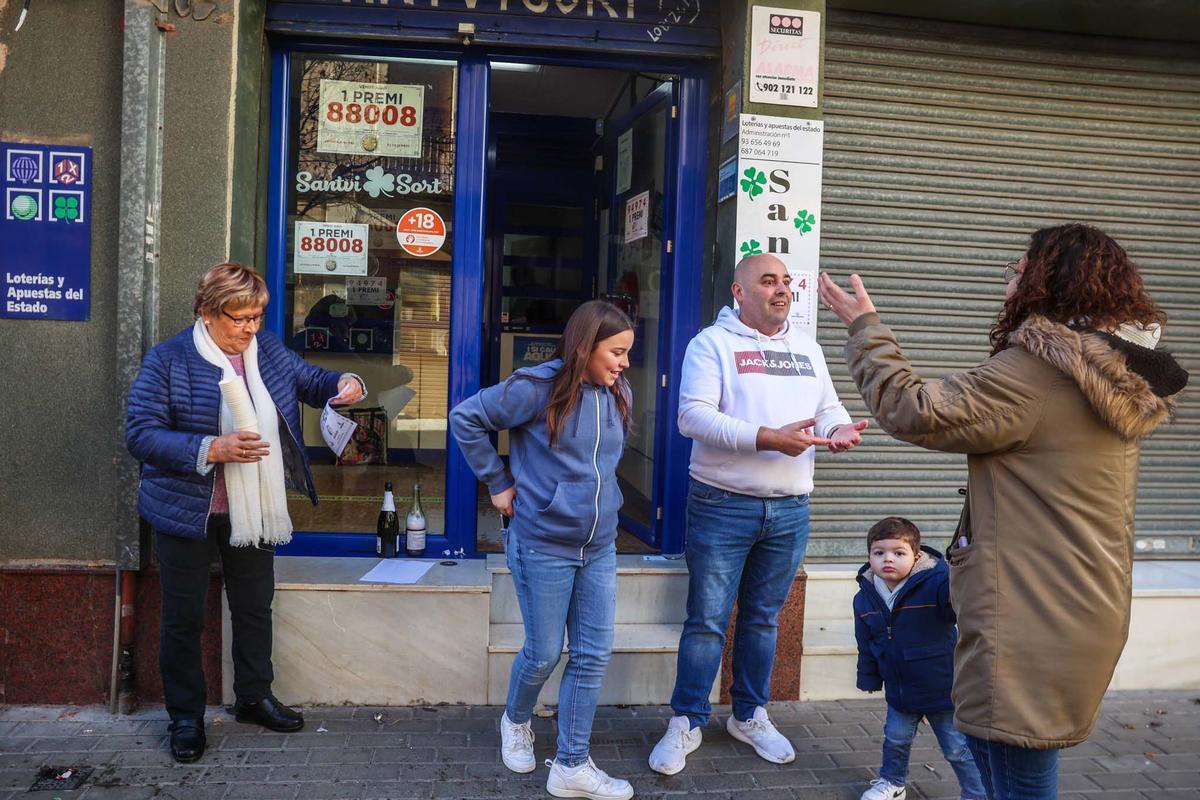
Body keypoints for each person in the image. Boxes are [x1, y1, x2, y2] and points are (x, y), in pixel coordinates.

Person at [818, 223, 1188, 800]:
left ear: (1051, 282)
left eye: (1019, 269)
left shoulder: (1042, 373)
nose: (1010, 280)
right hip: (1068, 602)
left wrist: (865, 329)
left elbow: (916, 410)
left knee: (1015, 780)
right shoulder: (1108, 372)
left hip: (1031, 613)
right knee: (1003, 766)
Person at [125, 262, 366, 763]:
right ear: (209, 313)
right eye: (241, 318)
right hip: (186, 511)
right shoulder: (168, 360)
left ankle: (254, 696)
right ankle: (186, 717)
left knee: (255, 606)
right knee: (183, 618)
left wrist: (346, 382)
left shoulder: (267, 350)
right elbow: (141, 434)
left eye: (257, 316)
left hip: (254, 509)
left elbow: (312, 380)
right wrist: (211, 447)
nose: (252, 328)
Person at [649, 254, 869, 775]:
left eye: (787, 282)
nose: (782, 290)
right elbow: (692, 417)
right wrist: (767, 439)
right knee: (706, 620)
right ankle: (686, 720)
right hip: (722, 504)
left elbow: (828, 408)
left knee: (764, 618)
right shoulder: (712, 344)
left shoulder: (807, 347)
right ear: (738, 291)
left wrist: (838, 431)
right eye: (768, 281)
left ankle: (748, 715)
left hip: (790, 508)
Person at [448, 300, 636, 800]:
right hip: (542, 544)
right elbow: (465, 418)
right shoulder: (535, 388)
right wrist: (497, 481)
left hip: (599, 547)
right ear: (585, 345)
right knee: (543, 653)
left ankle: (572, 764)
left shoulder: (619, 392)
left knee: (593, 656)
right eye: (616, 352)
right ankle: (515, 720)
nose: (623, 364)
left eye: (626, 354)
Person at [853, 517, 986, 800]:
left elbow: (957, 604)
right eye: (879, 553)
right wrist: (869, 677)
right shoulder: (864, 598)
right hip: (900, 689)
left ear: (916, 556)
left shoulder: (936, 584)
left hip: (942, 687)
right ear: (869, 556)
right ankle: (893, 783)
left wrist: (964, 571)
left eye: (898, 553)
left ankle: (977, 793)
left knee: (956, 748)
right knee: (896, 740)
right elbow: (866, 643)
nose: (888, 559)